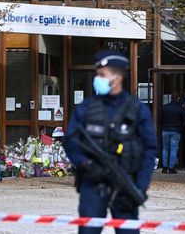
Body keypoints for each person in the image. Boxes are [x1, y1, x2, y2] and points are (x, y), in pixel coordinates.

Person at [63, 50, 158, 234]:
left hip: (125, 184)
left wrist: (140, 186)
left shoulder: (137, 110)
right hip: (93, 183)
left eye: (102, 75)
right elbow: (71, 141)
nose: (97, 79)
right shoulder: (87, 108)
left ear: (117, 77)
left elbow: (149, 150)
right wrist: (86, 163)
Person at [160, 92, 185, 174]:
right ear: (178, 99)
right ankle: (171, 168)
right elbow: (184, 121)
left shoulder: (164, 108)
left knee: (165, 149)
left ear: (171, 98)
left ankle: (164, 168)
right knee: (174, 149)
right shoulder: (180, 109)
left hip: (165, 130)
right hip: (176, 130)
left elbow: (160, 120)